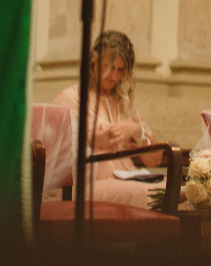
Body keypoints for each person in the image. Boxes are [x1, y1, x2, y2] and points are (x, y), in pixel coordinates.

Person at [52, 30, 163, 207]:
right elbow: (62, 153)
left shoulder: (125, 104)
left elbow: (155, 160)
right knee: (145, 194)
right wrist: (100, 138)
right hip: (90, 183)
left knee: (175, 192)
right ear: (93, 61)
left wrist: (138, 132)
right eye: (109, 67)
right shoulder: (70, 98)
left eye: (121, 70)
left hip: (131, 178)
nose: (114, 76)